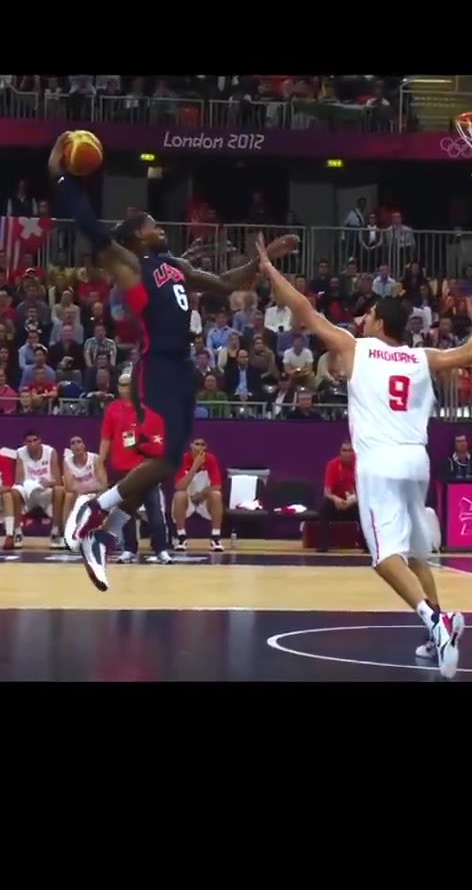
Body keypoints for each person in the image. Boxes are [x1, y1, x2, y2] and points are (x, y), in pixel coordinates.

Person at [49, 133, 295, 591]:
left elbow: (225, 283)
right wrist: (60, 176)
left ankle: (104, 535)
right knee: (162, 459)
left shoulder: (174, 266)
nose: (160, 227)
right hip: (156, 366)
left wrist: (260, 264)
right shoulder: (128, 264)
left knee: (169, 461)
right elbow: (88, 225)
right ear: (136, 236)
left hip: (182, 367)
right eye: (152, 225)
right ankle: (94, 509)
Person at [256, 234, 472, 680]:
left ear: (380, 323)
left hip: (380, 461)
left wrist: (268, 270)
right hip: (417, 462)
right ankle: (438, 631)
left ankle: (434, 621)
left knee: (383, 557)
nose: (363, 318)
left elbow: (303, 310)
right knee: (415, 555)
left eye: (370, 315)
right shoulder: (421, 357)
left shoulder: (354, 347)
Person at [99, 371, 171, 564]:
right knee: (125, 511)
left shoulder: (149, 411)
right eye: (122, 385)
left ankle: (161, 550)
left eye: (129, 384)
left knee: (154, 510)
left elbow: (159, 443)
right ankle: (129, 549)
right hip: (122, 469)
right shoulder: (112, 409)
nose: (125, 389)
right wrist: (100, 462)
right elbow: (106, 438)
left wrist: (141, 445)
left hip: (146, 470)